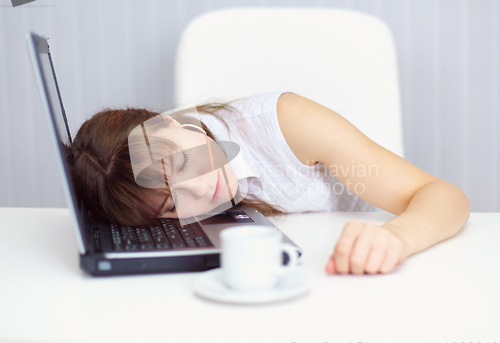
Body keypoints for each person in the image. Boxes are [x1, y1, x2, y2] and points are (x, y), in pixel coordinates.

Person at [65, 92, 470, 275]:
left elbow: (444, 196)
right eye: (172, 206)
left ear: (170, 120)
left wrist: (396, 238)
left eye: (184, 163)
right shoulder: (145, 172)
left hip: (372, 263)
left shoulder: (287, 123)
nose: (202, 191)